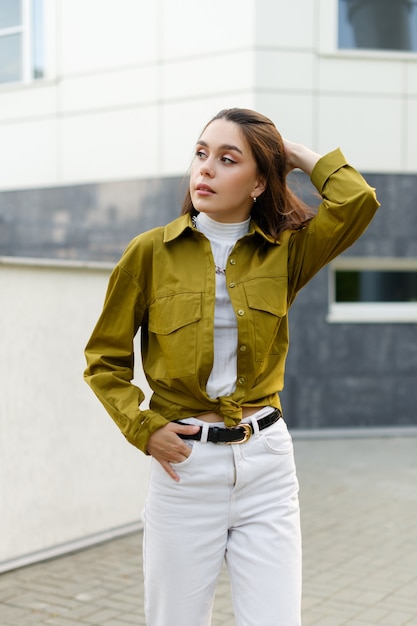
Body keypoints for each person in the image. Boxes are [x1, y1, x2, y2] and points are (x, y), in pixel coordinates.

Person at [84, 108, 379, 626]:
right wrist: (144, 427)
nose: (206, 170)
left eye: (227, 159)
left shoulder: (286, 251)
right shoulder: (149, 253)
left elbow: (356, 202)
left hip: (266, 464)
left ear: (260, 181)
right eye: (201, 154)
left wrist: (294, 155)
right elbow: (103, 361)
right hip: (185, 469)